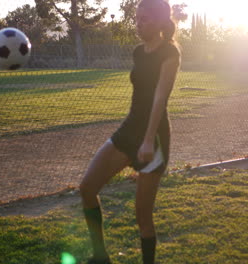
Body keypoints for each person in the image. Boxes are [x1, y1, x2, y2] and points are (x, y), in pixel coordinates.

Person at [79, 0, 181, 263]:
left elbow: (160, 98)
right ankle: (100, 256)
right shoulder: (138, 52)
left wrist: (148, 141)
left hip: (154, 138)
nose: (138, 23)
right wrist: (135, 135)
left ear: (159, 22)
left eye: (144, 19)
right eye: (137, 19)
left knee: (142, 218)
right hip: (129, 130)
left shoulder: (170, 53)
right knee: (88, 187)